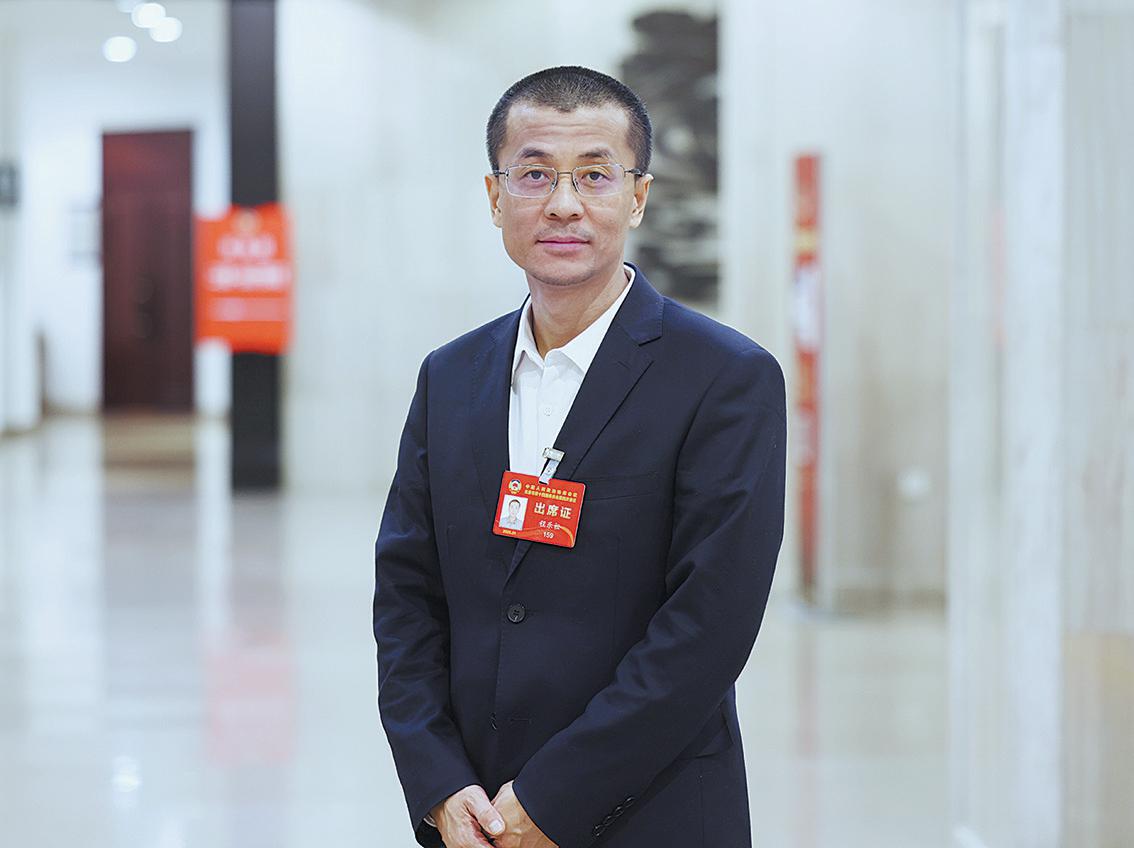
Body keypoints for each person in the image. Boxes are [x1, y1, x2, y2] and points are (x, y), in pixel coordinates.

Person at [373, 65, 786, 848]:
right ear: (495, 197)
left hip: (649, 810)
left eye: (595, 175)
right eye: (534, 174)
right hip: (473, 817)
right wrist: (438, 782)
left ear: (638, 196)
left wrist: (551, 800)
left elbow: (709, 626)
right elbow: (406, 594)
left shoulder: (724, 378)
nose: (564, 203)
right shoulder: (451, 375)